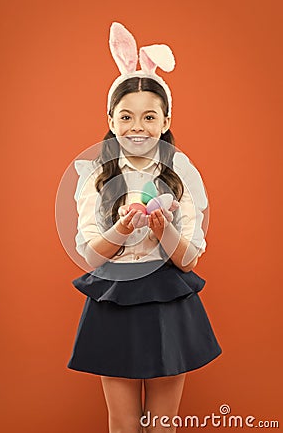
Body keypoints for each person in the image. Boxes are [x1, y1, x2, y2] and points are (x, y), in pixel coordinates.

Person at [67, 22, 222, 433]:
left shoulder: (182, 173)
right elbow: (90, 254)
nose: (138, 126)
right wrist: (120, 229)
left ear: (166, 119)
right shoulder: (95, 177)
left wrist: (163, 229)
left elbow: (188, 261)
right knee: (122, 423)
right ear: (111, 120)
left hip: (167, 300)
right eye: (127, 116)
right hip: (113, 300)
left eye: (149, 116)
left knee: (162, 424)